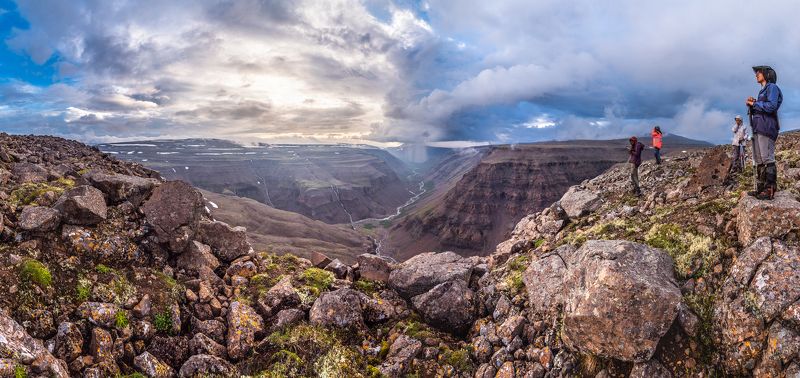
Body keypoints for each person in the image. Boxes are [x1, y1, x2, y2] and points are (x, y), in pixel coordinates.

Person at [746, 65, 782, 200]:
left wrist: (754, 104)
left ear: (767, 74)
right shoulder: (762, 91)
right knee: (759, 159)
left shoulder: (772, 87)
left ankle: (769, 189)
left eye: (759, 72)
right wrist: (753, 104)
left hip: (766, 127)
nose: (756, 74)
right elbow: (762, 107)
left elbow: (772, 106)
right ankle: (761, 188)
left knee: (767, 158)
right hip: (758, 127)